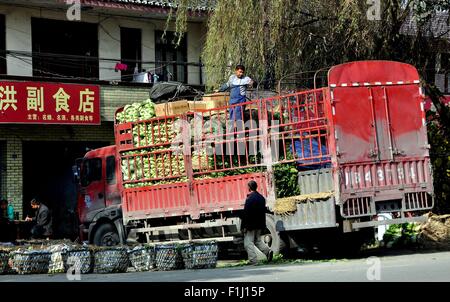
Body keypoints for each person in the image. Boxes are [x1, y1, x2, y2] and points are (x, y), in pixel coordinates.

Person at [240, 180, 273, 265]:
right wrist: (263, 225)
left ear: (249, 187)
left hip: (251, 225)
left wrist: (243, 226)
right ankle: (268, 252)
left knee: (248, 243)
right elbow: (263, 212)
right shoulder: (261, 198)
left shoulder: (250, 198)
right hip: (259, 224)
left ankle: (253, 261)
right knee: (257, 241)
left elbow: (246, 213)